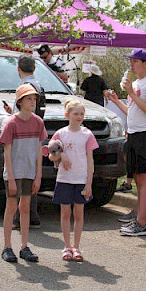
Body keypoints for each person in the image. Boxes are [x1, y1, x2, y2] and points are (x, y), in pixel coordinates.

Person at [106, 48, 146, 237]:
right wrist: (116, 100)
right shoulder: (136, 83)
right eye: (131, 61)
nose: (132, 64)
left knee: (144, 179)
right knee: (137, 178)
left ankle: (141, 222)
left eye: (136, 61)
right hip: (134, 133)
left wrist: (131, 93)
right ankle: (139, 217)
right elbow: (133, 111)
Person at [0, 84, 47, 263]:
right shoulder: (11, 123)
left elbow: (39, 150)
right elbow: (7, 152)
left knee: (25, 208)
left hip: (29, 172)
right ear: (19, 102)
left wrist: (38, 175)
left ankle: (24, 246)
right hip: (14, 173)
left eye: (34, 99)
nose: (32, 102)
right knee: (11, 208)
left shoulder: (38, 122)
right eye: (28, 99)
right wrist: (10, 178)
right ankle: (7, 246)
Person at [47, 98, 98, 261]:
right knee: (65, 212)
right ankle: (67, 246)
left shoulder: (87, 134)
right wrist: (61, 155)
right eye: (75, 113)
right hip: (64, 179)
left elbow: (90, 160)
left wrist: (89, 182)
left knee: (79, 213)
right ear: (67, 115)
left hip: (80, 179)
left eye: (82, 114)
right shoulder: (61, 134)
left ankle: (77, 247)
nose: (79, 116)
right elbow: (50, 154)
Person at [4, 55, 45, 229]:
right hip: (34, 133)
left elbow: (20, 114)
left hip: (23, 135)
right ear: (35, 68)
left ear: (18, 69)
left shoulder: (24, 87)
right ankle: (31, 215)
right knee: (30, 171)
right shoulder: (39, 86)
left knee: (20, 174)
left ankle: (20, 217)